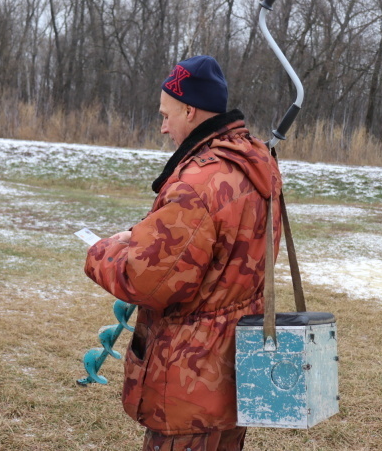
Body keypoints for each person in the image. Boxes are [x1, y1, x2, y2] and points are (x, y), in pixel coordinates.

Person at [84, 55, 283, 451]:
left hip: (189, 384)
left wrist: (100, 251)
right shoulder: (257, 164)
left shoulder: (197, 183)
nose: (162, 126)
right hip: (241, 372)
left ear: (189, 110)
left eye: (166, 114)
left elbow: (147, 281)